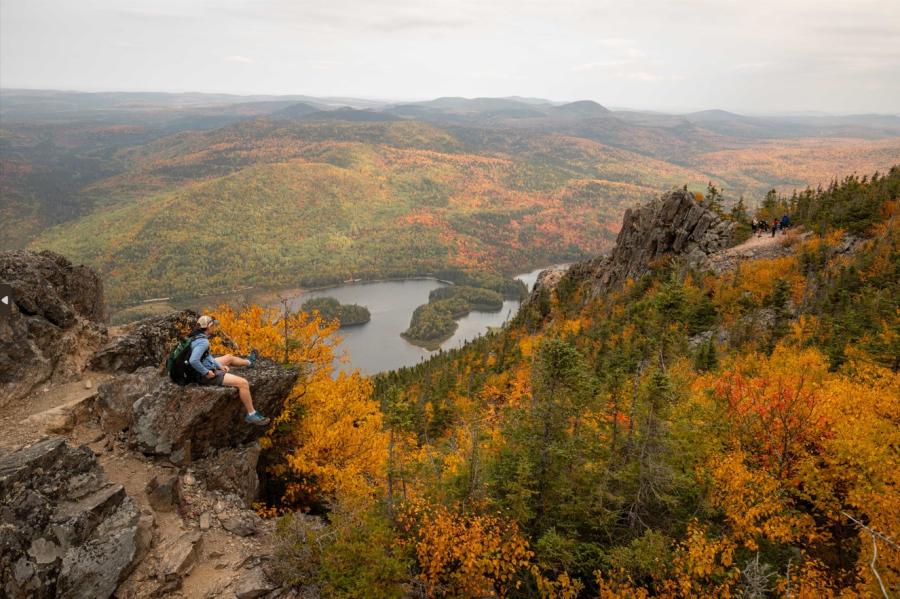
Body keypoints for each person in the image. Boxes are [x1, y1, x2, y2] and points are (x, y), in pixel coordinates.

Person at [189, 315, 269, 425]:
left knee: (229, 357)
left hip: (197, 368)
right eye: (213, 325)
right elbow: (193, 360)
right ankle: (251, 414)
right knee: (243, 383)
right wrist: (206, 372)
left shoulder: (195, 336)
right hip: (201, 374)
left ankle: (249, 362)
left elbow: (206, 356)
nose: (215, 327)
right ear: (209, 326)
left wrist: (218, 365)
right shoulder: (203, 341)